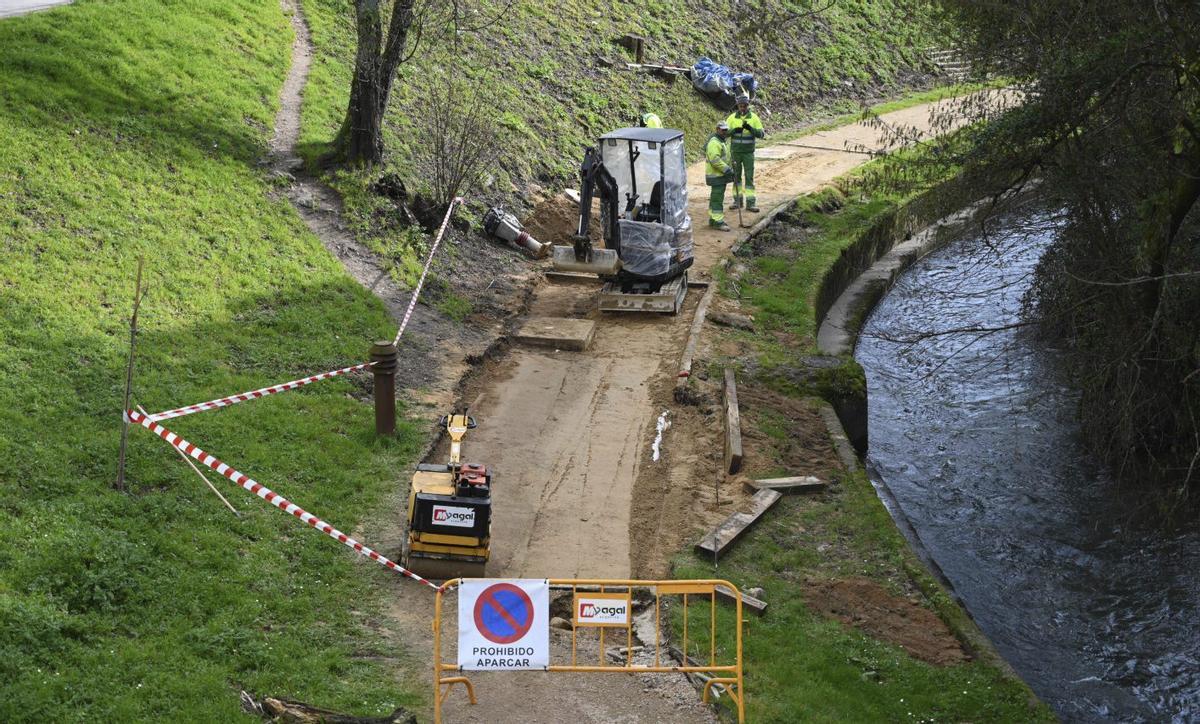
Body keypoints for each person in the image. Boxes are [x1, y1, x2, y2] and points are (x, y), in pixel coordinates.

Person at [725, 94, 765, 212]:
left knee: (749, 177)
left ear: (748, 106)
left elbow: (761, 134)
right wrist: (733, 131)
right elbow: (724, 134)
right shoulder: (732, 118)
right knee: (736, 177)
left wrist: (750, 129)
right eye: (740, 106)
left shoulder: (754, 118)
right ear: (738, 106)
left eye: (744, 106)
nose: (742, 108)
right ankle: (737, 201)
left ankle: (751, 203)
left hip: (748, 153)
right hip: (736, 152)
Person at [704, 121, 734, 231]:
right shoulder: (714, 142)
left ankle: (713, 219)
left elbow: (725, 156)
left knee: (715, 198)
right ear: (717, 129)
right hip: (716, 175)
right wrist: (727, 169)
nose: (725, 132)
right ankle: (718, 221)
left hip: (720, 175)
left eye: (726, 130)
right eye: (723, 130)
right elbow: (715, 160)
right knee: (717, 198)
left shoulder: (722, 141)